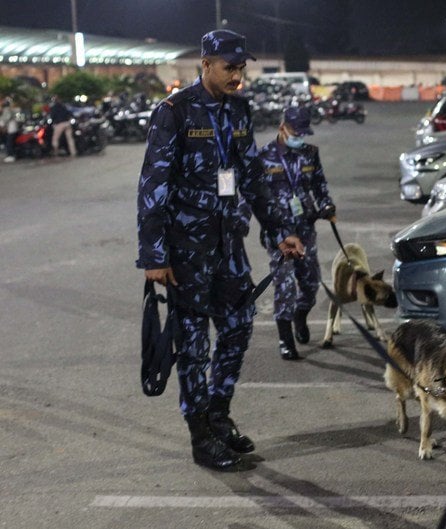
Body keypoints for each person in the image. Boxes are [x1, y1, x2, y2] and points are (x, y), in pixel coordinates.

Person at [136, 29, 304, 471]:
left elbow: (253, 178)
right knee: (192, 344)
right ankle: (199, 435)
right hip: (187, 250)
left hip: (229, 242)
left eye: (241, 67)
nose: (237, 75)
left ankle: (218, 413)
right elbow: (153, 184)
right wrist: (154, 255)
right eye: (230, 67)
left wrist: (279, 229)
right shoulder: (173, 111)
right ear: (206, 64)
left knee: (237, 328)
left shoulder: (240, 111)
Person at [239, 106, 336, 361]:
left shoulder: (310, 154)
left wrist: (326, 205)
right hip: (278, 231)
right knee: (284, 285)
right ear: (283, 126)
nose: (300, 136)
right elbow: (253, 194)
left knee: (311, 283)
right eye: (296, 131)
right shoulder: (264, 157)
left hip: (306, 228)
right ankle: (285, 340)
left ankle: (300, 315)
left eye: (304, 132)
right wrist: (240, 221)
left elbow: (319, 185)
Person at [1, 98, 20, 162]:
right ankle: (14, 154)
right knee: (11, 142)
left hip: (12, 129)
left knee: (9, 143)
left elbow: (6, 119)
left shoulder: (7, 110)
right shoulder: (10, 109)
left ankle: (11, 156)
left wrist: (3, 125)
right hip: (13, 128)